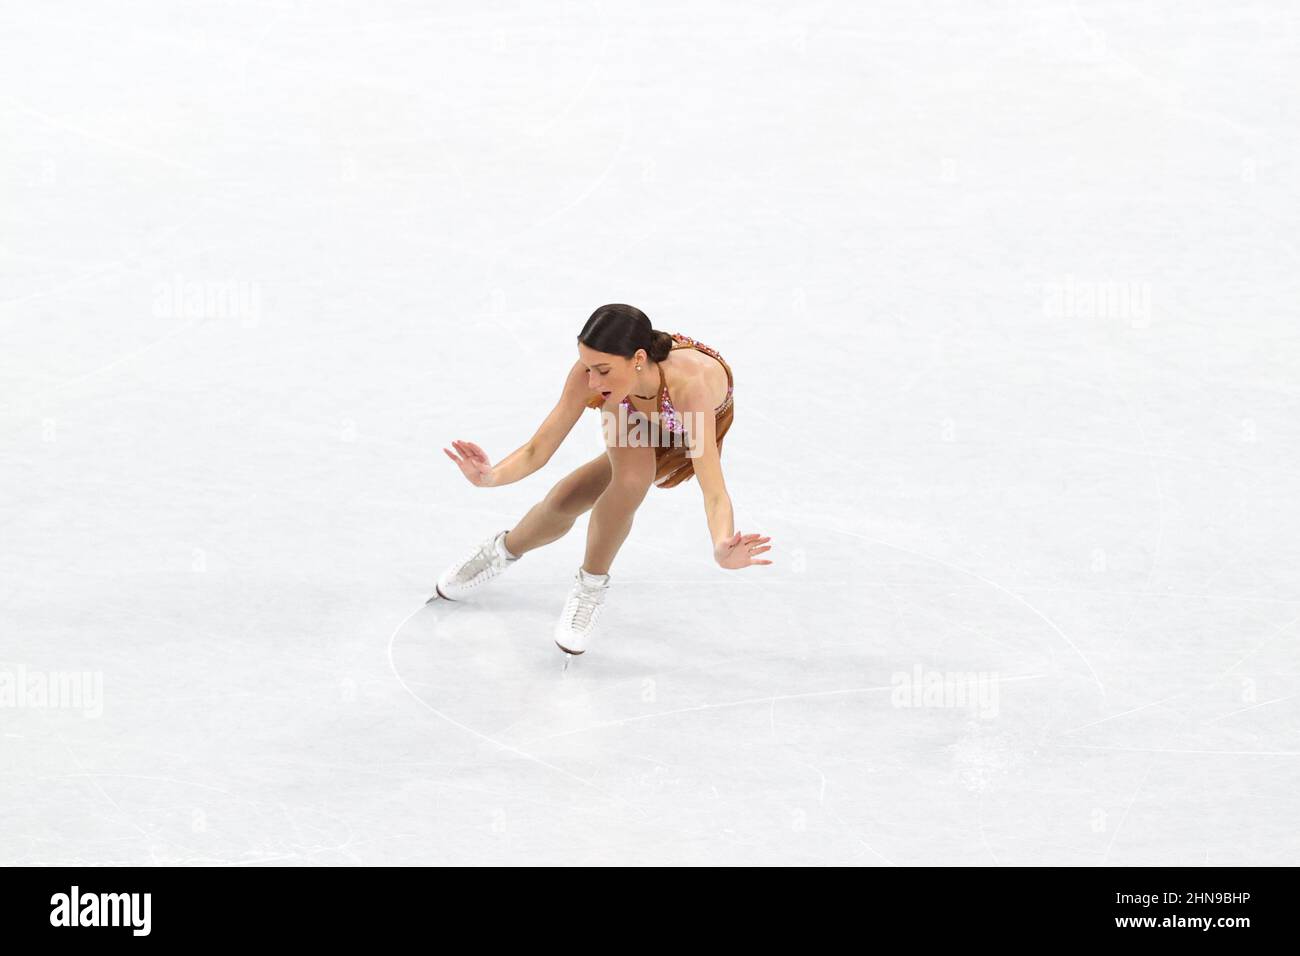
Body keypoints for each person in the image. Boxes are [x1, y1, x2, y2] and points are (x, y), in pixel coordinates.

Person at [432, 303, 772, 656]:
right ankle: (502, 550)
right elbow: (538, 449)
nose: (591, 382)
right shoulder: (606, 381)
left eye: (603, 370)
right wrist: (490, 477)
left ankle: (590, 586)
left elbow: (714, 490)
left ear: (638, 358)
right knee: (584, 495)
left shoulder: (692, 388)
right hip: (631, 407)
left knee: (623, 484)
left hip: (684, 419)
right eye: (588, 367)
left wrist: (720, 544)